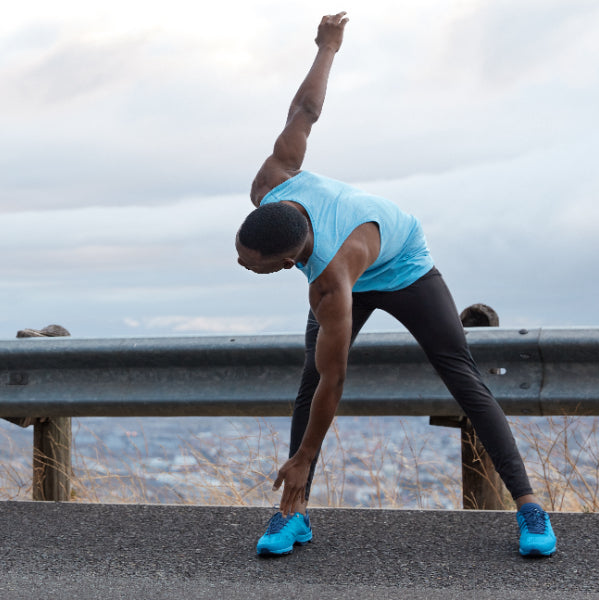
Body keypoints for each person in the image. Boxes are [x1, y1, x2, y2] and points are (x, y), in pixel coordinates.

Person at [235, 12, 557, 558]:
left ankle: (529, 508)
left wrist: (305, 455)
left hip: (404, 266)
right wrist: (327, 47)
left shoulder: (331, 285)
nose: (245, 267)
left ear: (290, 260)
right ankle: (293, 516)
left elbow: (337, 381)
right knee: (304, 386)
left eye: (254, 265)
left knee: (461, 376)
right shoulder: (271, 183)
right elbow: (305, 111)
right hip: (353, 252)